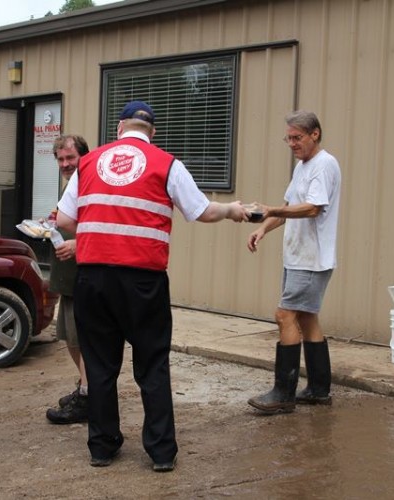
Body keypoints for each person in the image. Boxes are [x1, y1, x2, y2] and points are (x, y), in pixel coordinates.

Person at [57, 101, 249, 472]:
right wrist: (231, 209)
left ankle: (102, 446)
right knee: (153, 365)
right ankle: (161, 452)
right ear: (152, 132)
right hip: (143, 280)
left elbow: (65, 218)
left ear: (119, 128)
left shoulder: (88, 162)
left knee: (99, 365)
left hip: (93, 278)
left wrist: (98, 230)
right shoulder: (166, 163)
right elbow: (202, 211)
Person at [245, 110, 341, 414]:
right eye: (288, 138)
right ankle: (318, 390)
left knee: (284, 315)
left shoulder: (324, 165)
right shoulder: (303, 166)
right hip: (298, 256)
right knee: (307, 318)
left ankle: (283, 394)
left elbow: (313, 208)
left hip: (312, 259)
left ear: (315, 134)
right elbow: (289, 207)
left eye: (297, 137)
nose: (291, 143)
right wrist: (263, 228)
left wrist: (271, 209)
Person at [45, 134, 91, 424]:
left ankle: (89, 397)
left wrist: (77, 240)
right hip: (68, 276)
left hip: (84, 274)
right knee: (70, 338)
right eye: (60, 159)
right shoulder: (70, 185)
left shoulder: (90, 182)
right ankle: (86, 388)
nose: (65, 164)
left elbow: (100, 224)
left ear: (83, 157)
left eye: (70, 158)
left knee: (83, 339)